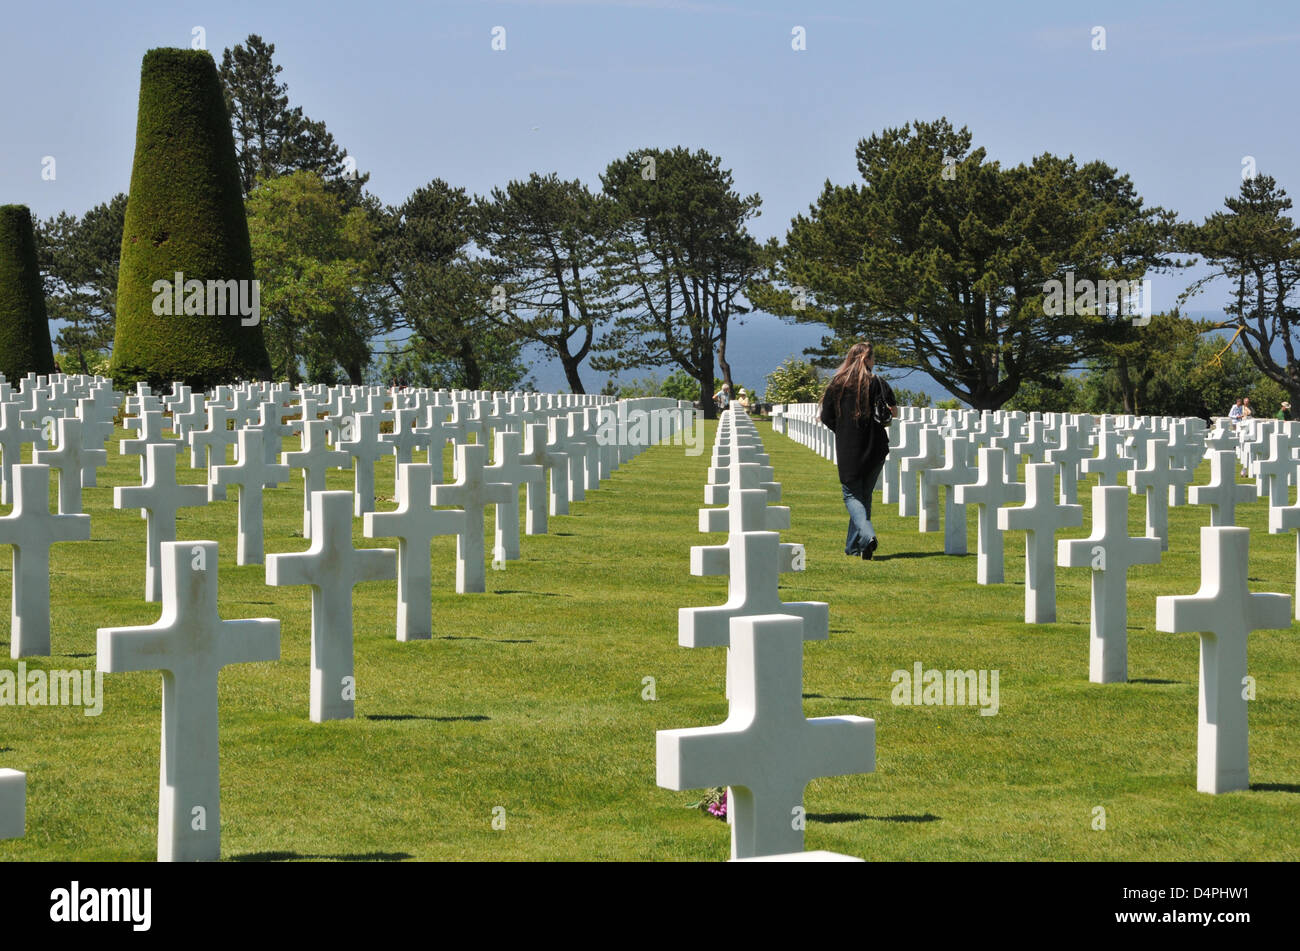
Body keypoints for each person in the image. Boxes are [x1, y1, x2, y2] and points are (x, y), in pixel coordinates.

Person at [819, 341, 896, 560]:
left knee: (852, 495)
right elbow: (894, 411)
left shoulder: (837, 383)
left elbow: (826, 416)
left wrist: (843, 430)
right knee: (863, 496)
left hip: (849, 447)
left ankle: (868, 536)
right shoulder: (879, 382)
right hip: (876, 446)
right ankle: (857, 547)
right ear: (866, 359)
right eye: (873, 357)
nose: (875, 361)